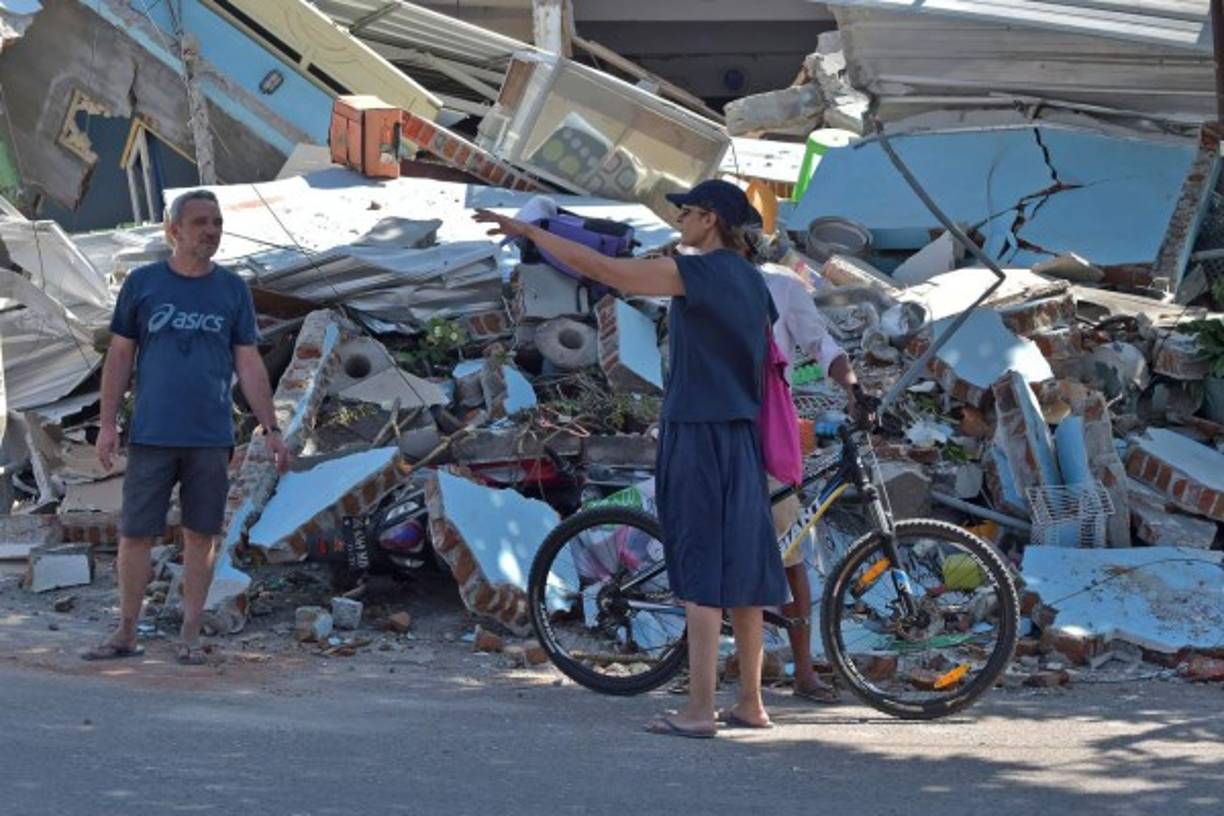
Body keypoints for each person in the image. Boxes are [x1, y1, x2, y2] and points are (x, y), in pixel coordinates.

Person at [476, 180, 786, 738]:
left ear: (710, 219)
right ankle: (751, 703)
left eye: (687, 213)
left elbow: (604, 271)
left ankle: (698, 710)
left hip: (698, 433)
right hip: (742, 436)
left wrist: (530, 232)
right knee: (743, 571)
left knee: (698, 570)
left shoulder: (698, 272)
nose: (681, 224)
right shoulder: (753, 282)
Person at [83, 189, 290, 666]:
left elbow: (249, 362)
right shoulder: (143, 284)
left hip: (210, 438)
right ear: (173, 231)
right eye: (200, 222)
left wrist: (272, 428)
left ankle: (190, 636)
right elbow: (119, 355)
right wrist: (108, 423)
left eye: (216, 222)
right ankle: (126, 632)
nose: (211, 231)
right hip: (152, 433)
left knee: (201, 535)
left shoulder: (232, 290)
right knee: (136, 535)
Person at [761, 261, 866, 704]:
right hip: (715, 422)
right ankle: (697, 659)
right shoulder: (696, 275)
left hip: (766, 425)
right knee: (715, 543)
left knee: (789, 547)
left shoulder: (781, 286)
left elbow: (822, 345)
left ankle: (804, 670)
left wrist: (854, 388)